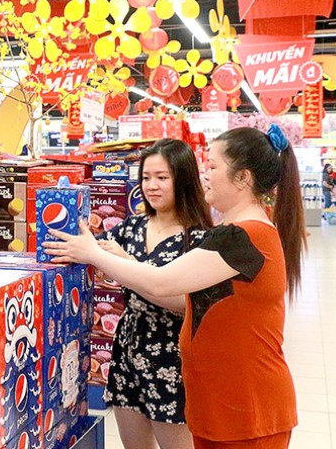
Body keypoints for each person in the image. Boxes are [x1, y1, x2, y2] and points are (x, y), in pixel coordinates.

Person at [45, 125, 304, 449]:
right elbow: (171, 290)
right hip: (222, 402)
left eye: (212, 167)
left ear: (242, 178)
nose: (204, 175)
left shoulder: (243, 236)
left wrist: (93, 253)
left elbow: (162, 282)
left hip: (245, 408)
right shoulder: (237, 232)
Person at [97, 139, 212, 449]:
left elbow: (187, 303)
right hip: (128, 349)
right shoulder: (130, 227)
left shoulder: (200, 238)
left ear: (183, 179)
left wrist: (127, 263)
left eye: (162, 177)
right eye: (146, 177)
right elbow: (91, 250)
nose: (151, 186)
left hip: (172, 356)